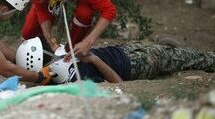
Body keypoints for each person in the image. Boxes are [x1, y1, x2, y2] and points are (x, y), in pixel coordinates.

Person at [16, 37, 215, 84]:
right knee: (189, 59)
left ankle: (169, 52)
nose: (53, 44)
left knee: (165, 51)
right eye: (47, 48)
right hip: (134, 64)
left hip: (122, 51)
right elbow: (118, 83)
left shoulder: (58, 65)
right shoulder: (75, 76)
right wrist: (93, 59)